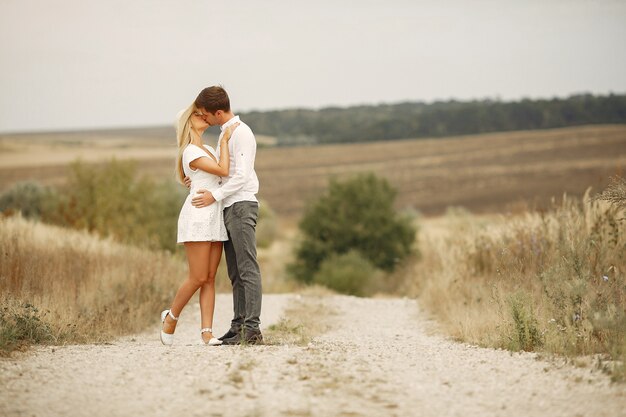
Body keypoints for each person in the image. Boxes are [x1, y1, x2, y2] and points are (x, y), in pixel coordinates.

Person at [187, 86, 263, 345]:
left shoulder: (241, 133)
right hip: (229, 206)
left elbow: (241, 176)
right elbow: (222, 172)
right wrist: (198, 181)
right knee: (235, 272)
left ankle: (252, 329)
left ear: (217, 112)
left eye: (205, 114)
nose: (204, 119)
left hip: (241, 205)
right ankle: (238, 325)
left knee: (247, 268)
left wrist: (213, 197)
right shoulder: (225, 134)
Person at [160, 102, 239, 346]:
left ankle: (207, 332)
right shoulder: (191, 152)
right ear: (187, 122)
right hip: (197, 215)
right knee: (197, 276)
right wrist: (225, 142)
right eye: (196, 114)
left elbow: (213, 177)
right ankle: (171, 317)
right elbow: (223, 170)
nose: (202, 116)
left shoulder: (204, 148)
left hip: (214, 214)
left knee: (210, 278)